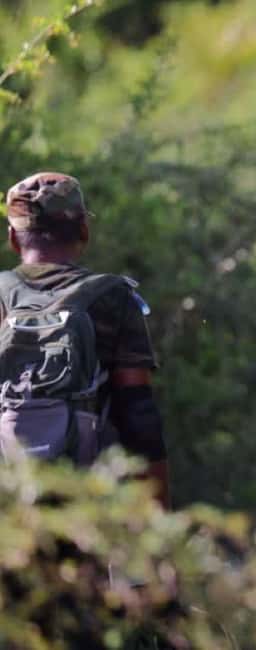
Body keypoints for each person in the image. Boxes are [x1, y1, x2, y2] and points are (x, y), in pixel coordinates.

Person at [2, 172, 169, 506]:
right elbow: (138, 411)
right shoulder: (111, 297)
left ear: (13, 238)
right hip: (84, 501)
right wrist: (157, 512)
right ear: (83, 231)